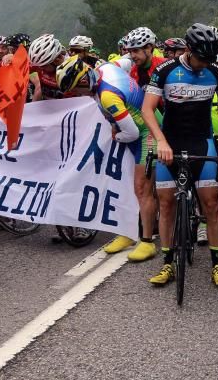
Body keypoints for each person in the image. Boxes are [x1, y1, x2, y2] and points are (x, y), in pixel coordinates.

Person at [143, 23, 218, 289]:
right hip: (169, 142)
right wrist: (160, 141)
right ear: (189, 49)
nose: (205, 64)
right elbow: (148, 109)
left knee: (212, 205)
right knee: (167, 204)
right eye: (201, 58)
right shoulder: (165, 71)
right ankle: (167, 263)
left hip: (201, 143)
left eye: (209, 59)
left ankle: (217, 265)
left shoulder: (215, 72)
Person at [54, 55, 159, 259]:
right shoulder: (108, 66)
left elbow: (132, 134)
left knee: (142, 188)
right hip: (136, 128)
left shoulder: (107, 96)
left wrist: (115, 133)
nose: (77, 93)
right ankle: (128, 231)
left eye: (76, 89)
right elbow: (128, 63)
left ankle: (147, 242)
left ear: (84, 81)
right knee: (123, 183)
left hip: (147, 134)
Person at [102, 27, 167, 256]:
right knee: (138, 185)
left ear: (150, 48)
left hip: (164, 124)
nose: (133, 56)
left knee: (153, 185)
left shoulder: (163, 66)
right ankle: (133, 230)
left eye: (137, 51)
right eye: (129, 51)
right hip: (144, 127)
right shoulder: (132, 65)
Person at [28, 34, 67, 101]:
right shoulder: (39, 65)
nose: (40, 69)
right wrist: (12, 58)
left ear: (57, 59)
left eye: (43, 66)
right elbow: (20, 69)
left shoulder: (73, 73)